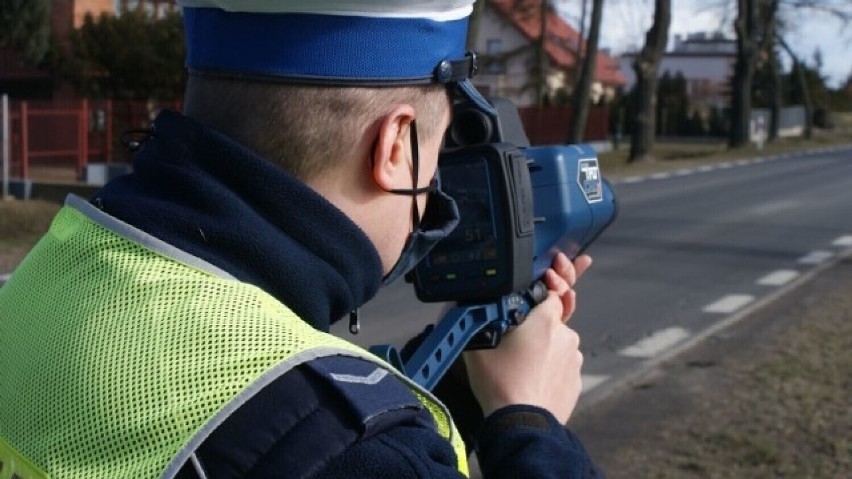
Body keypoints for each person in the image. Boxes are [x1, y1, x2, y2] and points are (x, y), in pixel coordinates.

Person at [0, 1, 603, 477]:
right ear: (395, 147)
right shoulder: (359, 455)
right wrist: (531, 424)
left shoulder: (46, 277)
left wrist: (453, 383)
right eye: (435, 153)